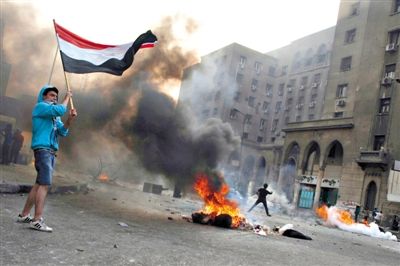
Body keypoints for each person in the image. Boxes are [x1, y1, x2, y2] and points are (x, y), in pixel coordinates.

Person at [17, 85, 77, 232]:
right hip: (43, 150)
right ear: (44, 96)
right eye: (51, 95)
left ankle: (24, 215)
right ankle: (37, 220)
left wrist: (69, 119)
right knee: (44, 184)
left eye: (56, 97)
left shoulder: (54, 116)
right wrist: (67, 97)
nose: (54, 98)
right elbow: (60, 109)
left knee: (38, 184)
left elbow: (62, 132)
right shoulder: (41, 107)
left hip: (50, 151)